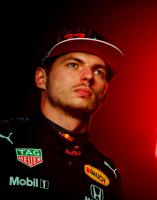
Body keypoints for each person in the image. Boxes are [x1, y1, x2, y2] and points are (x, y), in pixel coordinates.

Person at [0, 27, 124, 200]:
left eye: (99, 71)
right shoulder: (4, 139)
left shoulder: (109, 174)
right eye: (73, 65)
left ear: (104, 94)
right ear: (41, 78)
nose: (88, 76)